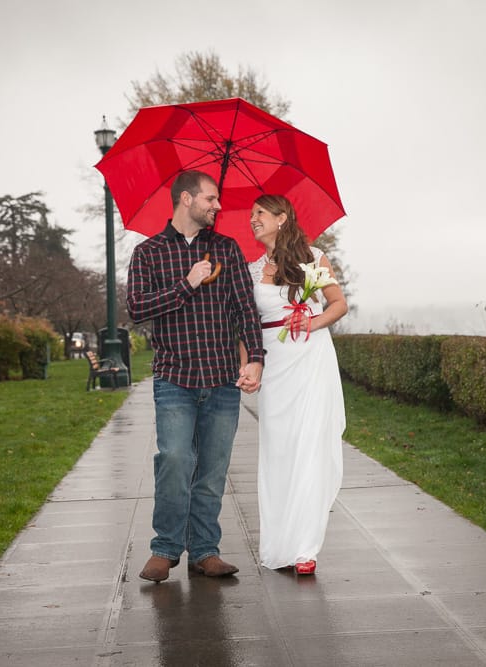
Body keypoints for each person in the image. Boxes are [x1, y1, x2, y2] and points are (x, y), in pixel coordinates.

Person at [127, 170, 265, 583]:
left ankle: (205, 550)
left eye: (217, 199)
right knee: (173, 459)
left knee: (212, 468)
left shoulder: (226, 248)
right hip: (175, 378)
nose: (217, 205)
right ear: (186, 199)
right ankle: (165, 549)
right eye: (211, 198)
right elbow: (136, 309)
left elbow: (245, 310)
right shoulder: (148, 253)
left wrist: (255, 358)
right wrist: (187, 283)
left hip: (222, 378)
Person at [247, 194, 348, 575]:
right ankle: (279, 544)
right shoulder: (253, 269)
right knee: (278, 451)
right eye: (251, 214)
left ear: (281, 217)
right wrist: (248, 366)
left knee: (308, 448)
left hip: (310, 358)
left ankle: (306, 548)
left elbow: (337, 304)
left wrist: (311, 322)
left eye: (259, 213)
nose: (252, 219)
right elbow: (246, 324)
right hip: (274, 362)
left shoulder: (313, 258)